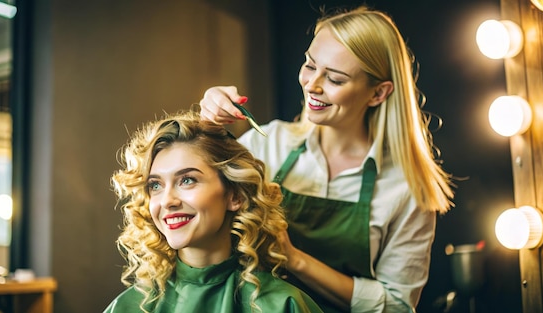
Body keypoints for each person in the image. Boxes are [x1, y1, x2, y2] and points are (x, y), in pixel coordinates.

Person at [198, 6, 454, 313]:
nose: (312, 85)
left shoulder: (406, 189)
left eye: (334, 78)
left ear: (378, 94)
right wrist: (208, 128)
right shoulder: (269, 145)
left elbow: (397, 306)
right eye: (310, 65)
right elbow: (193, 196)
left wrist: (294, 259)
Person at [104, 110, 323, 313]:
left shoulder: (283, 305)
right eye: (155, 185)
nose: (167, 201)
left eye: (187, 180)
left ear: (235, 195)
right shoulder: (129, 307)